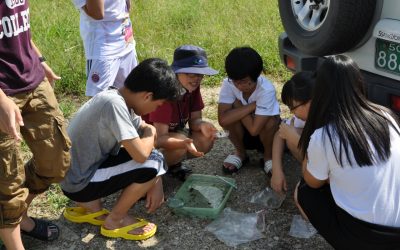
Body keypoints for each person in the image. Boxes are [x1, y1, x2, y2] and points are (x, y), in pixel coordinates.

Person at [61, 58, 179, 241]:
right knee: (156, 161)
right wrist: (151, 131)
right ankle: (115, 220)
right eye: (158, 104)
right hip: (79, 181)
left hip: (75, 175)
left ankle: (90, 205)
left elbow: (143, 129)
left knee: (152, 158)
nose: (156, 109)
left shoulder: (118, 98)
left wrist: (156, 181)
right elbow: (141, 154)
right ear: (147, 96)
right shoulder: (114, 105)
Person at [295, 55, 400, 249]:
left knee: (304, 192)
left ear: (320, 91)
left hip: (364, 237)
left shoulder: (324, 135)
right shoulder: (386, 116)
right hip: (397, 233)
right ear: (359, 82)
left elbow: (312, 181)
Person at [0, 1, 71, 249]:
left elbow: (18, 31)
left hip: (33, 80)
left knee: (55, 160)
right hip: (3, 93)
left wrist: (38, 59)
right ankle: (13, 240)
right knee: (7, 179)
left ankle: (18, 218)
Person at [143, 45, 218, 181]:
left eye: (201, 74)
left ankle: (172, 165)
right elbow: (159, 138)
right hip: (147, 141)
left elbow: (195, 120)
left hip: (173, 132)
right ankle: (147, 174)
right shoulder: (165, 91)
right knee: (180, 143)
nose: (197, 79)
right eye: (191, 74)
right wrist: (183, 143)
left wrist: (202, 125)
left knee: (205, 139)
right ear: (177, 72)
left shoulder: (191, 87)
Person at [218, 46, 280, 174]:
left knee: (270, 122)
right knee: (230, 120)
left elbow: (254, 130)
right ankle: (240, 153)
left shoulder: (266, 90)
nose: (239, 86)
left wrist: (238, 105)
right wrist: (251, 106)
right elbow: (223, 120)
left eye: (244, 81)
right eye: (235, 81)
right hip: (240, 133)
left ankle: (268, 156)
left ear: (256, 76)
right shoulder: (228, 83)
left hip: (265, 136)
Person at [72, 0, 138, 96]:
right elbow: (97, 13)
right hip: (104, 44)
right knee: (99, 100)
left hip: (124, 35)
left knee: (132, 92)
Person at [269, 72, 315, 193]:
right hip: (318, 161)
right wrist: (277, 170)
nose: (291, 112)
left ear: (309, 102)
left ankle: (312, 179)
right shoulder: (304, 116)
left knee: (300, 196)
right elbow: (280, 134)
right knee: (290, 133)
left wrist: (295, 138)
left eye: (293, 107)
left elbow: (322, 153)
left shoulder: (330, 123)